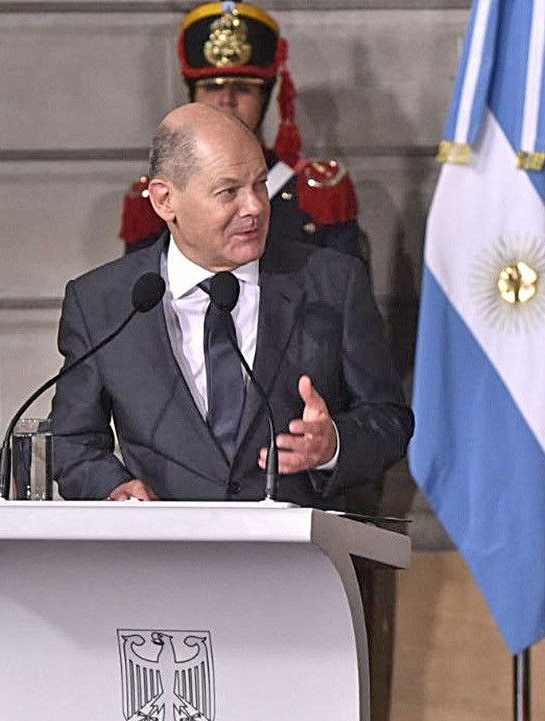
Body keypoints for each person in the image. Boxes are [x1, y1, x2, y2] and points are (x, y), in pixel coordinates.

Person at [52, 103, 411, 507]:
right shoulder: (103, 303)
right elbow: (73, 442)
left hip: (295, 560)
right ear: (164, 200)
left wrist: (332, 447)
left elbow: (390, 421)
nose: (255, 206)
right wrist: (113, 489)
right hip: (162, 558)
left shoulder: (332, 283)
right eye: (229, 192)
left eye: (259, 184)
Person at [118, 1, 367, 261]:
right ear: (192, 94)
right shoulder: (160, 196)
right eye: (213, 87)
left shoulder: (317, 193)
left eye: (244, 88)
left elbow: (345, 293)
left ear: (267, 97)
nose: (227, 99)